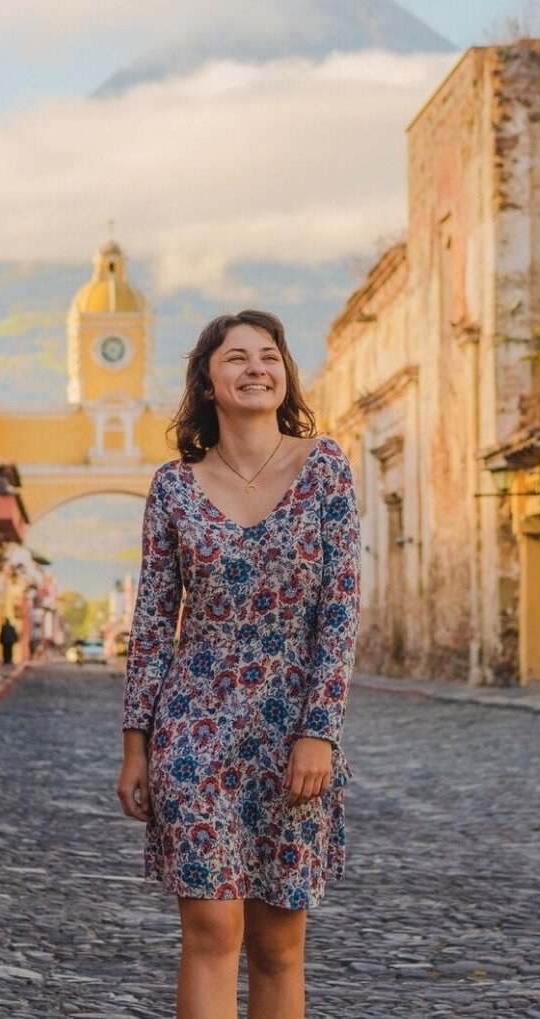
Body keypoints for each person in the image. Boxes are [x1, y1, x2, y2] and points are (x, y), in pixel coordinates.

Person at [116, 309, 360, 1019]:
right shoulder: (173, 487)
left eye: (269, 356)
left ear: (285, 375)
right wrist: (136, 746)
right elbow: (154, 623)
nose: (256, 367)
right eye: (237, 358)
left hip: (292, 730)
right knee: (212, 927)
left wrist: (321, 730)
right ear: (208, 382)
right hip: (194, 731)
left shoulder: (326, 469)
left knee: (279, 941)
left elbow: (340, 610)